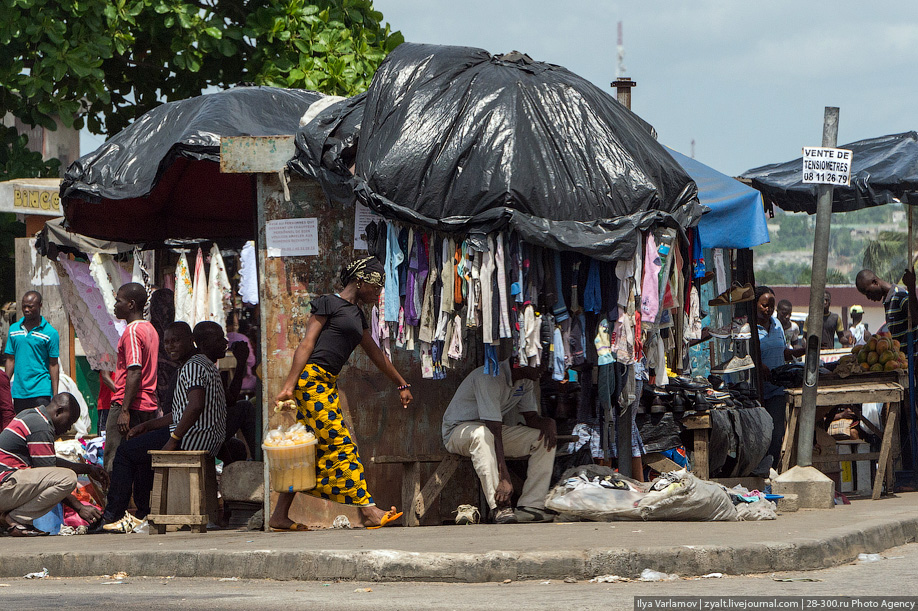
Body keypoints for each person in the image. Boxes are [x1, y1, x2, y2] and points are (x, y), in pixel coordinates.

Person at [269, 257, 411, 531]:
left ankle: (279, 515)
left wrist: (401, 383)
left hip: (327, 384)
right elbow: (306, 344)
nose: (379, 293)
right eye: (377, 286)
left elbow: (376, 354)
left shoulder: (358, 315)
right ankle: (369, 511)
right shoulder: (329, 304)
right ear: (360, 281)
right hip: (311, 382)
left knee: (312, 451)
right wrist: (289, 385)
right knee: (342, 444)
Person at [99, 322, 228, 532]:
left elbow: (195, 406)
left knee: (124, 452)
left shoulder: (193, 366)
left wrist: (173, 440)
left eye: (176, 341)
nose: (170, 347)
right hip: (204, 435)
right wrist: (148, 426)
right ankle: (143, 513)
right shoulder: (202, 363)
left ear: (190, 340)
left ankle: (112, 515)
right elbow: (180, 412)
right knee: (138, 449)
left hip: (193, 437)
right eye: (167, 342)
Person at [442, 359, 557, 524]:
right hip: (458, 431)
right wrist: (504, 478)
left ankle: (531, 506)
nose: (543, 367)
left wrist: (548, 422)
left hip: (490, 431)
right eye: (538, 363)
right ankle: (499, 507)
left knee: (541, 439)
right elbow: (494, 429)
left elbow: (531, 417)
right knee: (482, 435)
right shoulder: (489, 376)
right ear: (520, 362)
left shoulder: (526, 381)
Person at [0, 393, 109, 536]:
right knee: (68, 478)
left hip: (7, 485)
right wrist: (79, 507)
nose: (68, 428)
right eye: (69, 422)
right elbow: (50, 473)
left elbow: (48, 463)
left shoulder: (31, 415)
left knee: (62, 476)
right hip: (5, 486)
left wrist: (88, 469)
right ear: (59, 412)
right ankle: (15, 519)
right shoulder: (41, 426)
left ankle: (11, 519)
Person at [106, 283, 159, 473]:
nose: (115, 304)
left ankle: (115, 501)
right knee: (140, 463)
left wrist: (125, 410)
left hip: (129, 405)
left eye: (118, 300)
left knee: (115, 460)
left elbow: (135, 371)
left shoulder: (133, 331)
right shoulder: (150, 329)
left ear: (131, 304)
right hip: (147, 405)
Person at [755, 286, 805, 467]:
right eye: (764, 305)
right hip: (757, 391)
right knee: (760, 434)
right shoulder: (748, 327)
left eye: (771, 306)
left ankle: (771, 469)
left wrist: (804, 351)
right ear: (755, 305)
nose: (768, 309)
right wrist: (759, 365)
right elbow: (744, 354)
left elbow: (783, 352)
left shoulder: (777, 326)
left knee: (776, 434)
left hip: (776, 388)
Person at [3, 291, 60, 414]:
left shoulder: (50, 333)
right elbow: (10, 359)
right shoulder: (14, 330)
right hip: (19, 392)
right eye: (24, 306)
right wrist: (4, 387)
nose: (27, 309)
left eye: (30, 306)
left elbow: (54, 364)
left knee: (41, 428)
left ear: (40, 305)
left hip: (41, 391)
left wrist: (55, 395)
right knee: (21, 429)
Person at [855, 268, 918, 343]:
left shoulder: (899, 296)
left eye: (868, 292)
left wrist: (911, 287)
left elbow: (916, 318)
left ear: (875, 282)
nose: (868, 297)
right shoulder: (888, 300)